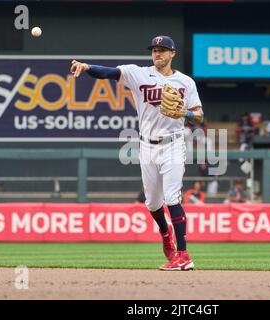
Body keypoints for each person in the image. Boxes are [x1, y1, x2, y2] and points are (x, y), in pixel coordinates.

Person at [70, 35, 203, 271]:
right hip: (147, 146)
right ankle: (165, 234)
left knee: (172, 197)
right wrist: (87, 67)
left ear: (173, 54)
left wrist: (185, 114)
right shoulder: (138, 73)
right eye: (155, 50)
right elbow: (108, 72)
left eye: (163, 50)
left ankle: (183, 255)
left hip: (173, 144)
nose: (158, 53)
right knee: (152, 203)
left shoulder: (186, 82)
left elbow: (199, 116)